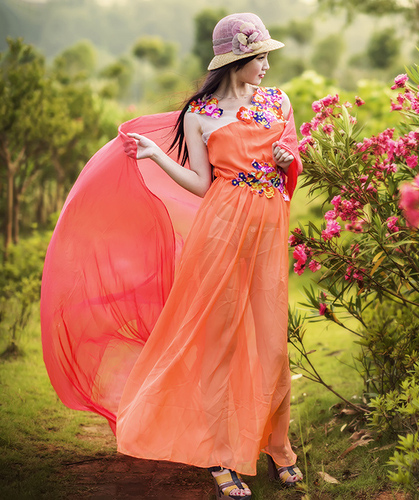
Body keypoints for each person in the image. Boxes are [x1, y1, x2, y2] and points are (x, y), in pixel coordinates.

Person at [40, 13, 303, 499]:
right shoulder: (200, 113)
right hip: (221, 232)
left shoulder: (279, 101)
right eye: (260, 57)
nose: (267, 65)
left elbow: (288, 160)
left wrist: (290, 161)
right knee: (218, 343)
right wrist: (158, 157)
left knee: (271, 344)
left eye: (267, 56)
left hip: (268, 232)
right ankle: (221, 458)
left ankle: (278, 448)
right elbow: (204, 185)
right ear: (237, 60)